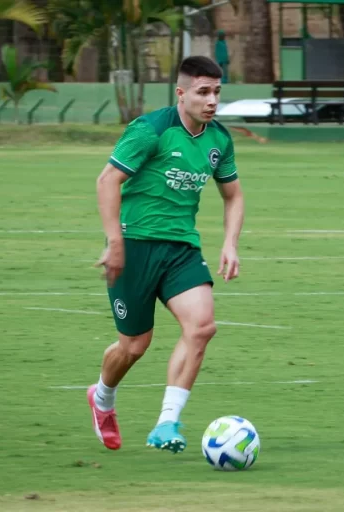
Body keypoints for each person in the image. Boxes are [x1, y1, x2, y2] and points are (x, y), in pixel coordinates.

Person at [87, 56, 244, 453]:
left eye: (217, 92)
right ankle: (102, 397)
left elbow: (233, 195)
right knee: (134, 346)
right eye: (202, 92)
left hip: (181, 249)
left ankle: (166, 422)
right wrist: (114, 241)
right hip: (135, 246)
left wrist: (230, 243)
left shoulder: (219, 140)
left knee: (202, 327)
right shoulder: (150, 129)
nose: (211, 101)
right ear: (181, 93)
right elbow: (108, 180)